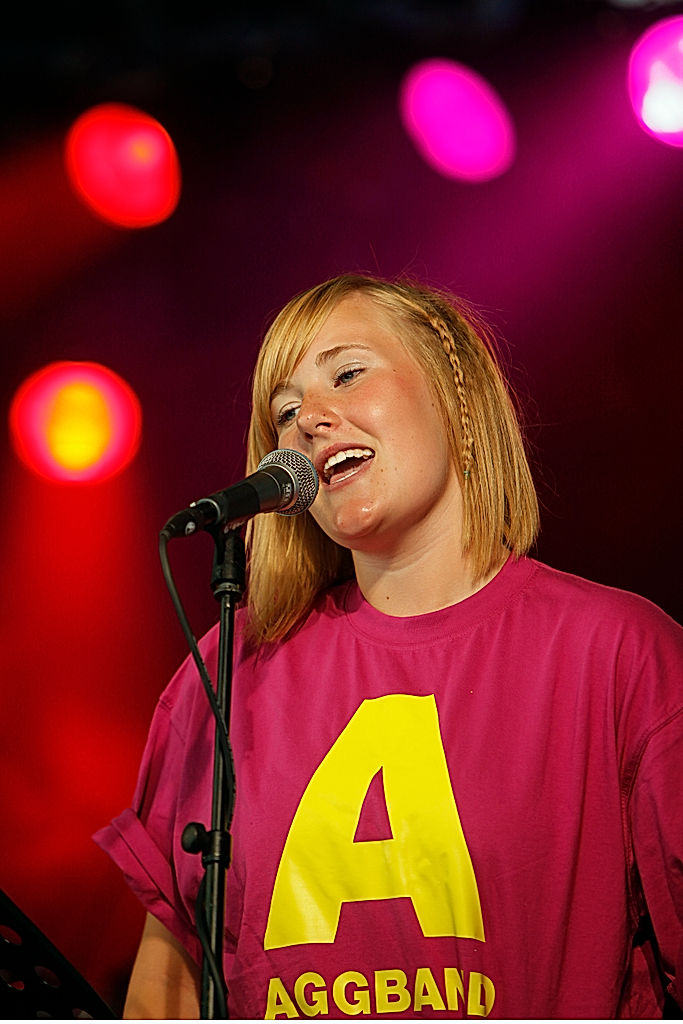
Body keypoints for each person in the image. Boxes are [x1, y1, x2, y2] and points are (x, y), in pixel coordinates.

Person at [94, 273, 683, 1019]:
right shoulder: (228, 670)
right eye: (284, 409)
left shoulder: (621, 654)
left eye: (346, 373)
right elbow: (166, 984)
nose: (309, 418)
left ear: (456, 393)